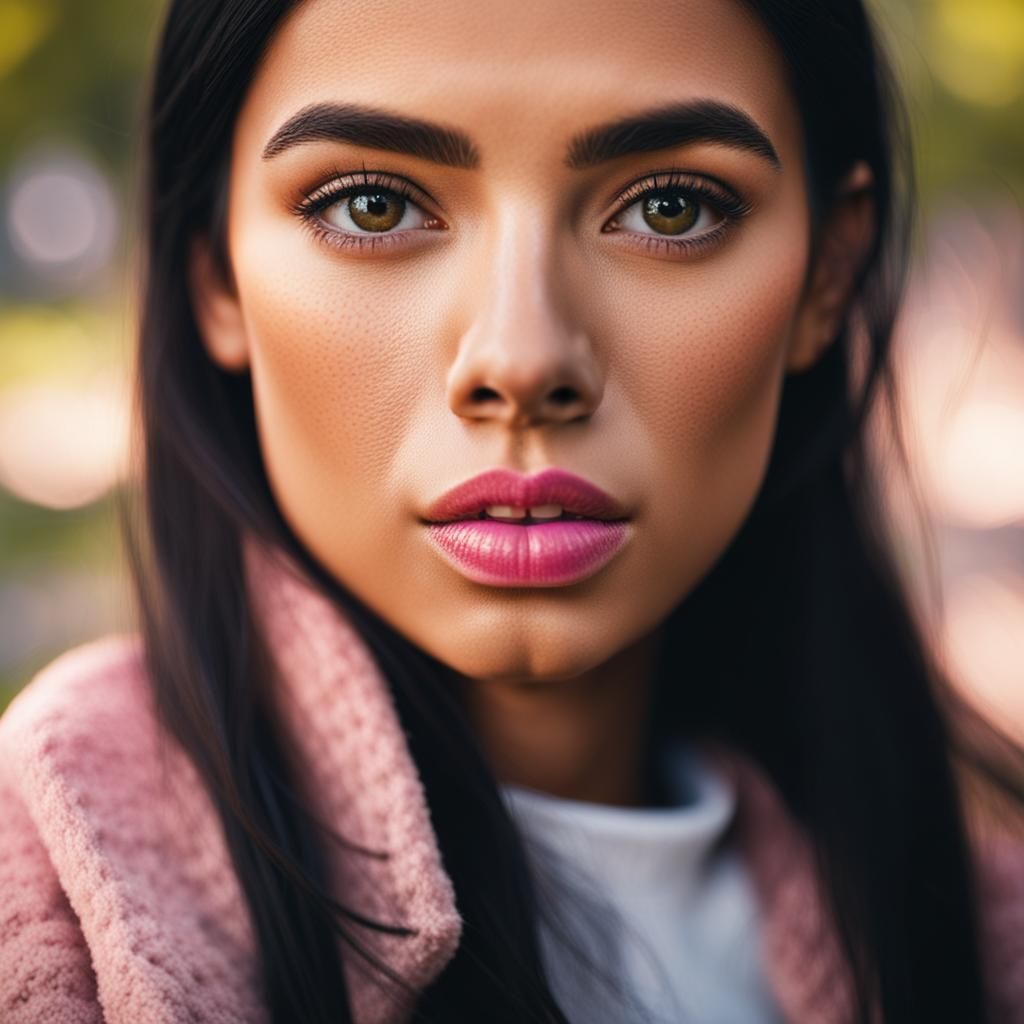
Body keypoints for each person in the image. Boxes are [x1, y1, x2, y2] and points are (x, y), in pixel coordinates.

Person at [1, 0, 1022, 1021]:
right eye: (373, 207)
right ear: (215, 273)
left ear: (826, 275)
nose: (523, 358)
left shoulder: (979, 941)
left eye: (670, 209)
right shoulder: (50, 893)